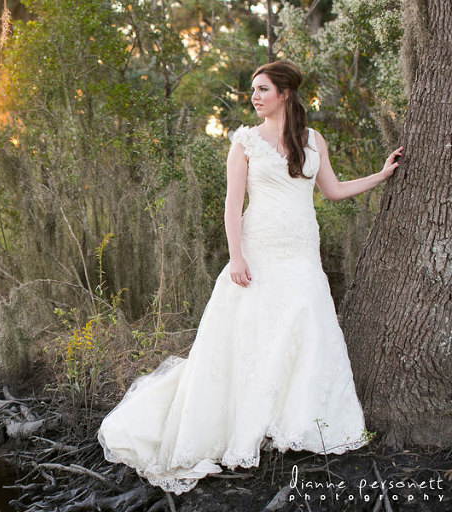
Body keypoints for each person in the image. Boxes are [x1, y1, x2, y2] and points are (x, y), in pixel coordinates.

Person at [96, 60, 403, 495]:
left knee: (305, 331)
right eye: (253, 90)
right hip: (257, 253)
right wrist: (236, 258)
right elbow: (231, 205)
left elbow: (332, 191)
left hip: (301, 253)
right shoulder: (244, 142)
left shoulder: (313, 140)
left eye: (262, 89)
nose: (255, 97)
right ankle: (246, 423)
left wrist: (382, 175)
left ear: (284, 93)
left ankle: (297, 424)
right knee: (252, 337)